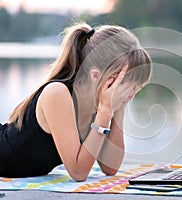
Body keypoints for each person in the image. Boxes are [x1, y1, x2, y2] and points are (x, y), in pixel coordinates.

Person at [0, 22, 152, 181]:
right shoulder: (57, 94)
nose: (130, 96)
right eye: (126, 87)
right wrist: (105, 113)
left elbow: (110, 168)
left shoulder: (98, 105)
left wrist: (118, 110)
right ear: (95, 76)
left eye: (135, 89)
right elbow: (78, 172)